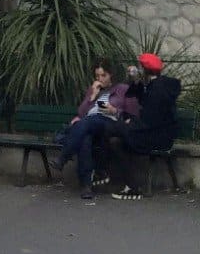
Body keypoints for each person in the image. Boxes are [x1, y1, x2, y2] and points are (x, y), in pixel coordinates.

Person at [49, 61, 132, 200]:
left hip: (108, 123)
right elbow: (81, 112)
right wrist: (92, 96)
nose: (100, 79)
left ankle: (62, 158)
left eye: (103, 75)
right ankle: (86, 186)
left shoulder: (122, 89)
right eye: (97, 75)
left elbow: (129, 112)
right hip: (89, 123)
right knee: (85, 138)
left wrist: (114, 110)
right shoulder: (93, 89)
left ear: (111, 75)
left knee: (87, 123)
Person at [106, 52, 182, 201]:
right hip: (158, 132)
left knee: (112, 130)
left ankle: (133, 187)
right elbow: (141, 97)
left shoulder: (157, 91)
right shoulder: (159, 85)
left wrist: (130, 124)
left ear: (145, 70)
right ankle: (130, 184)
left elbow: (149, 120)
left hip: (157, 136)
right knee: (115, 140)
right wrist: (136, 81)